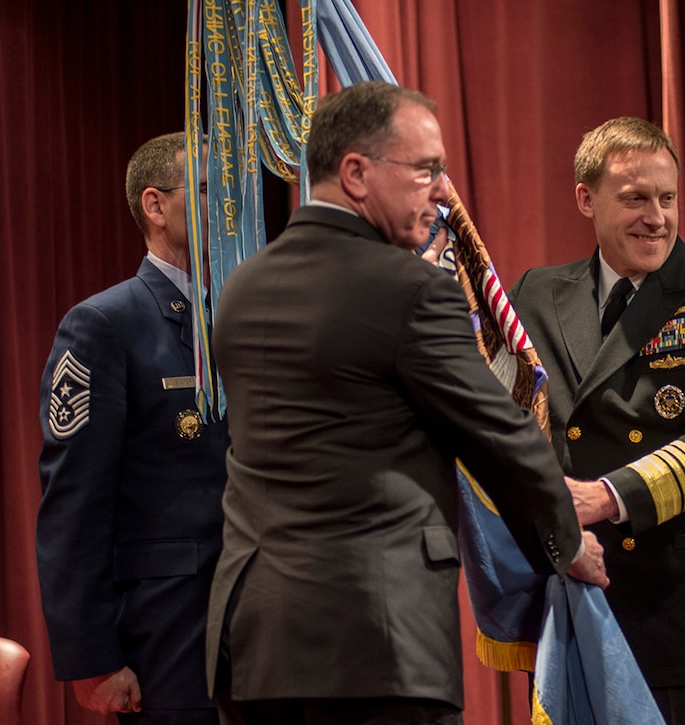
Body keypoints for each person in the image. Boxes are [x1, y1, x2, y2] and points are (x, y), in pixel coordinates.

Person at [205, 80, 608, 725]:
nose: (443, 191)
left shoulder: (242, 288)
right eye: (426, 170)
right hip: (375, 645)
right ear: (357, 174)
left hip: (254, 647)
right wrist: (566, 545)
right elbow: (500, 436)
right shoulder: (411, 289)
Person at [510, 116, 685, 725]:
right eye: (634, 198)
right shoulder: (536, 293)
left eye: (667, 197)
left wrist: (603, 498)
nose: (656, 217)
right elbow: (516, 429)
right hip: (580, 594)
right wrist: (554, 521)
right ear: (586, 199)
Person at [36, 132, 229, 724]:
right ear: (155, 205)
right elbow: (73, 504)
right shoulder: (103, 325)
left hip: (255, 620)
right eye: (205, 191)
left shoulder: (234, 316)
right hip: (166, 628)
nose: (224, 207)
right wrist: (92, 658)